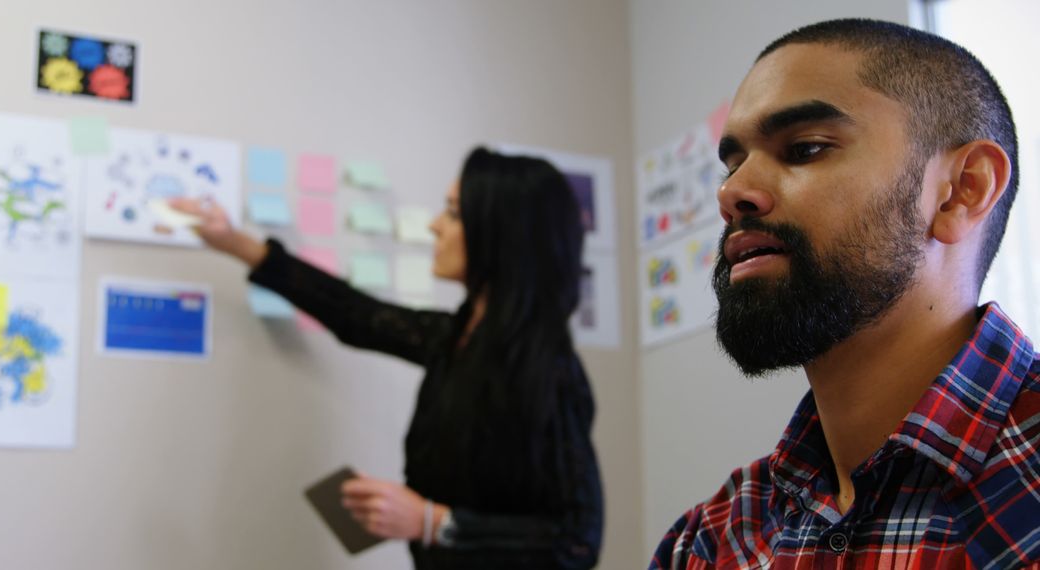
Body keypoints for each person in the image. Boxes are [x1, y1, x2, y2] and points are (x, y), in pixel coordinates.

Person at [650, 19, 1039, 569]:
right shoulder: (712, 542)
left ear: (961, 192)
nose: (731, 193)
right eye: (733, 164)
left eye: (804, 148)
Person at [174, 147, 603, 569]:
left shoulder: (551, 370)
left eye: (453, 213)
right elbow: (354, 313)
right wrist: (234, 242)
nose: (435, 226)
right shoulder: (454, 338)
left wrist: (430, 522)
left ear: (498, 232)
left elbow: (577, 540)